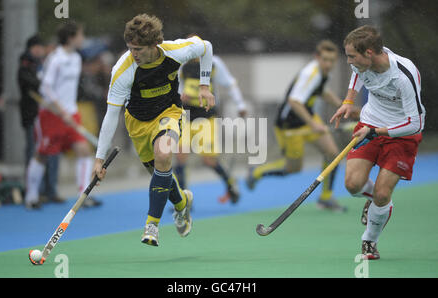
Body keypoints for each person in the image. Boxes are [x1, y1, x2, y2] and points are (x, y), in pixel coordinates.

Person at [92, 14, 215, 247]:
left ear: (154, 45)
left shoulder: (175, 51)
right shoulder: (123, 70)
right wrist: (99, 159)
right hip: (137, 123)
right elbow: (111, 116)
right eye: (130, 48)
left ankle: (152, 226)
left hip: (169, 113)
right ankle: (182, 203)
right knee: (161, 174)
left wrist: (204, 86)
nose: (133, 53)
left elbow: (206, 47)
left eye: (138, 49)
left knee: (164, 154)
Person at [330, 25, 425, 259]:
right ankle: (374, 203)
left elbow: (416, 124)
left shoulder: (403, 76)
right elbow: (356, 73)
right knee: (352, 184)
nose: (349, 61)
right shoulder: (362, 63)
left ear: (370, 53)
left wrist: (375, 131)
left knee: (383, 194)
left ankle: (369, 241)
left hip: (400, 133)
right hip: (370, 124)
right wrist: (348, 101)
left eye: (352, 55)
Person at [246, 40, 351, 212]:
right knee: (293, 169)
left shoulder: (324, 73)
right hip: (289, 125)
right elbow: (294, 101)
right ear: (317, 57)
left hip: (308, 117)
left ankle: (325, 198)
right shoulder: (311, 74)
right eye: (325, 59)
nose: (329, 64)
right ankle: (257, 172)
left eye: (332, 60)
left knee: (332, 153)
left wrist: (342, 105)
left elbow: (322, 91)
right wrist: (313, 125)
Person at [24, 21, 101, 210]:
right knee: (42, 155)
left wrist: (68, 112)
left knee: (84, 151)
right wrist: (60, 109)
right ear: (70, 37)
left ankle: (83, 195)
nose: (82, 39)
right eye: (80, 35)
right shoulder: (55, 59)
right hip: (52, 115)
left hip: (71, 114)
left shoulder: (76, 58)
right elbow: (45, 87)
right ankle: (31, 196)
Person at [175, 50, 247, 204]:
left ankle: (230, 182)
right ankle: (183, 201)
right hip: (185, 116)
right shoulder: (182, 63)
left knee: (208, 160)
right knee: (180, 156)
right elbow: (177, 86)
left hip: (206, 117)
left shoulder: (214, 63)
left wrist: (240, 104)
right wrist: (179, 97)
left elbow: (230, 83)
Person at [17, 35, 64, 204]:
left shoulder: (45, 65)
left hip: (50, 117)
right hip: (33, 117)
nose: (38, 50)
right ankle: (33, 192)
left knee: (53, 153)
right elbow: (38, 87)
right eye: (34, 47)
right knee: (35, 152)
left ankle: (50, 190)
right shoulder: (25, 67)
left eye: (39, 46)